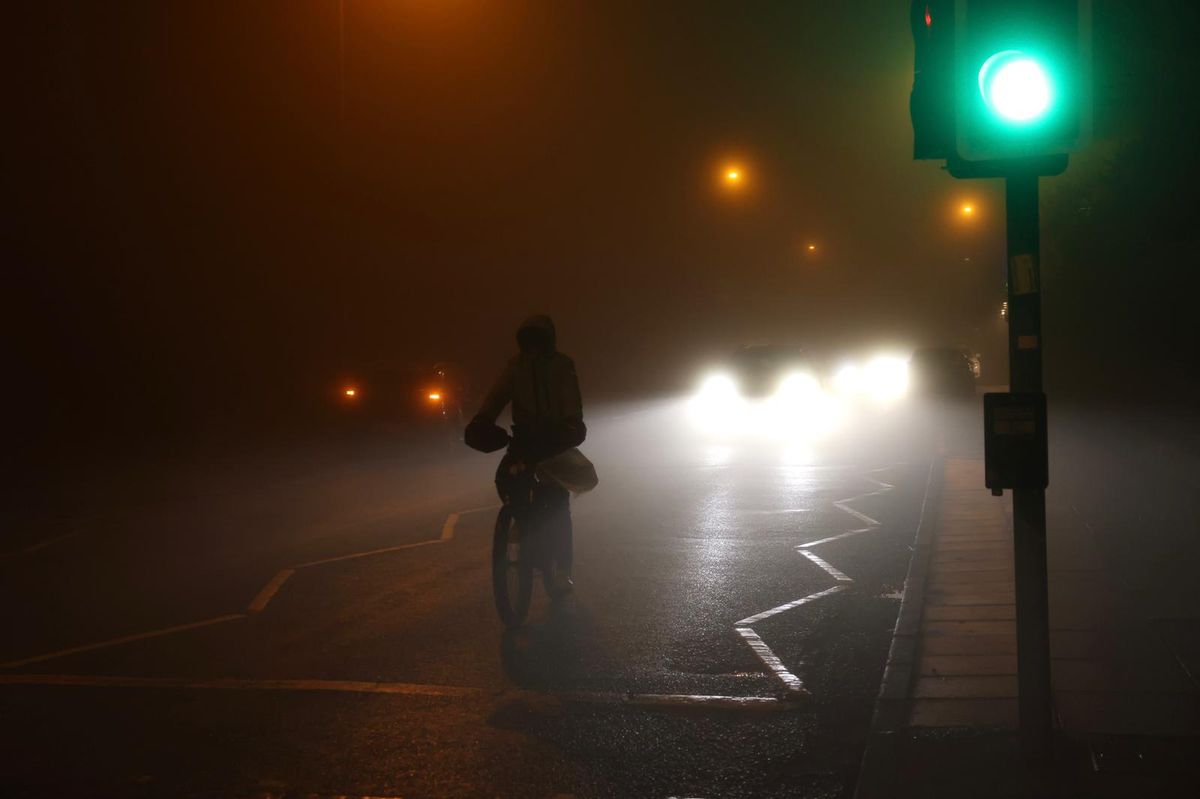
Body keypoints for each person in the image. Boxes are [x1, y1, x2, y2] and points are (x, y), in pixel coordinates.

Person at [465, 315, 586, 594]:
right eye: (528, 342)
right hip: (525, 441)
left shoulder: (561, 366)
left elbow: (571, 400)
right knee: (506, 479)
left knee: (557, 504)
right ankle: (522, 523)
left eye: (537, 342)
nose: (532, 348)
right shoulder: (515, 368)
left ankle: (561, 569)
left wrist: (571, 425)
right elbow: (496, 397)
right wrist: (483, 419)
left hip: (555, 441)